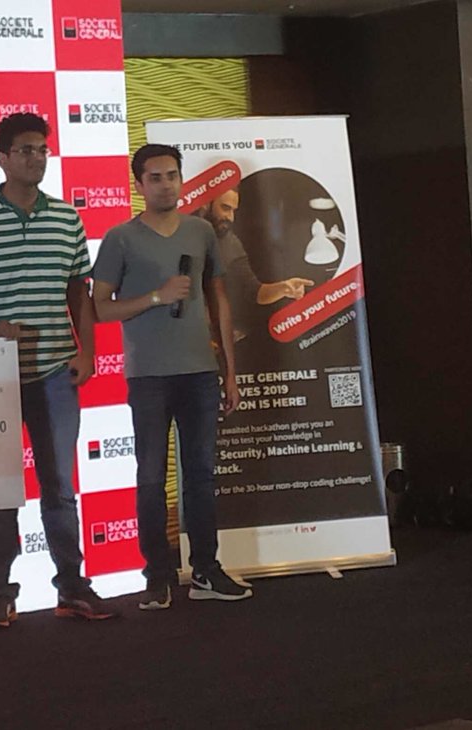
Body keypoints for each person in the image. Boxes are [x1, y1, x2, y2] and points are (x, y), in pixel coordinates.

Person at [0, 113, 116, 627]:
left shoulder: (67, 218)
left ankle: (72, 585)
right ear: (1, 157)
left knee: (59, 486)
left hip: (55, 372)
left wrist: (87, 352)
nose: (36, 158)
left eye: (42, 149)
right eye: (25, 150)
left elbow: (79, 292)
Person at [90, 144, 253, 611]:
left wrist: (230, 372)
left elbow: (219, 299)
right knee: (150, 477)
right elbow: (100, 308)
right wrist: (156, 297)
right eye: (156, 177)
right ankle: (157, 578)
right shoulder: (121, 238)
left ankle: (205, 570)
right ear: (139, 184)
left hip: (200, 371)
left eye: (172, 175)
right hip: (149, 377)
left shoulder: (201, 231)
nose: (166, 185)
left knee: (201, 475)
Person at [199, 188, 314, 342]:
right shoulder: (179, 231)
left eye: (233, 211)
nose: (230, 217)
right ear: (206, 203)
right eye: (225, 208)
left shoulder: (231, 243)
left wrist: (282, 288)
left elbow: (253, 291)